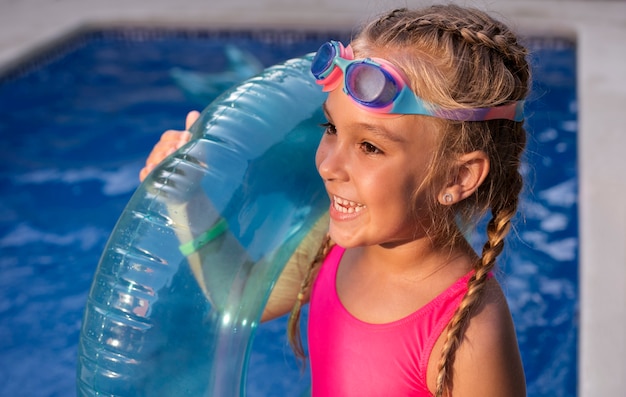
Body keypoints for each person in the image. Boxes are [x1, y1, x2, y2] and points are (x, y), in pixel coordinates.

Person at [140, 5, 529, 396]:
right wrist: (189, 202)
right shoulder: (335, 238)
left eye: (370, 147)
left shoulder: (467, 331)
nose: (328, 164)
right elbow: (239, 299)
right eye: (330, 128)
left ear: (457, 177)